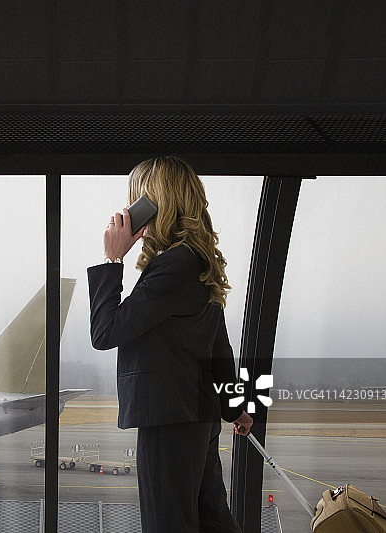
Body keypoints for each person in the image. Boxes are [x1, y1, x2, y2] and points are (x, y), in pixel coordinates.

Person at [87, 156, 254, 532]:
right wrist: (235, 409)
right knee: (212, 520)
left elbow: (105, 332)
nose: (130, 210)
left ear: (157, 204)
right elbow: (219, 351)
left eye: (137, 199)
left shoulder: (171, 269)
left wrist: (112, 259)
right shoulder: (197, 262)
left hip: (169, 420)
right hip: (199, 419)